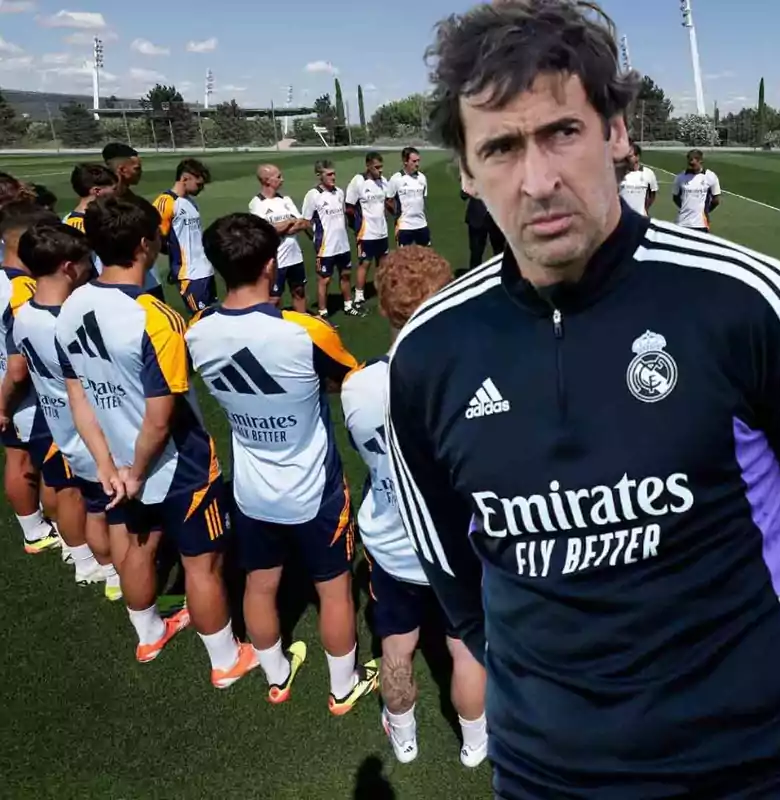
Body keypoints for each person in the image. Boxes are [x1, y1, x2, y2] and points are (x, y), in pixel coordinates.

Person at [388, 2, 780, 796]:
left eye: (561, 132)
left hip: (755, 771)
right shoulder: (429, 351)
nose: (537, 180)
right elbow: (455, 579)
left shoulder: (749, 299)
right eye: (500, 146)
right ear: (466, 173)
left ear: (615, 132)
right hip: (547, 777)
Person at [60, 194, 254, 684]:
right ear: (147, 244)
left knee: (139, 547)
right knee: (202, 564)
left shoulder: (71, 304)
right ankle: (226, 660)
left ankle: (149, 634)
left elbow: (78, 397)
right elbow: (160, 418)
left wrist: (108, 466)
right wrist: (137, 471)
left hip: (117, 460)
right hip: (173, 464)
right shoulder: (156, 318)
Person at [188, 212, 377, 712]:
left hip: (249, 488)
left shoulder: (197, 331)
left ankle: (276, 675)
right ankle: (342, 687)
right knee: (334, 590)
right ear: (272, 265)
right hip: (314, 487)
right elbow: (349, 383)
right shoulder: (303, 331)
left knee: (259, 581)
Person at [343, 245, 488, 767]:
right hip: (460, 544)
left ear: (384, 309)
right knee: (467, 649)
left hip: (392, 544)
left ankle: (403, 733)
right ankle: (475, 741)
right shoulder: (475, 381)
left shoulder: (358, 387)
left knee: (397, 647)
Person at [8, 222, 120, 594]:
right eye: (87, 262)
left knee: (80, 498)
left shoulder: (23, 315)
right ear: (69, 267)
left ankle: (88, 562)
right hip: (85, 429)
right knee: (99, 508)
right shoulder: (68, 324)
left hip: (56, 421)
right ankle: (110, 572)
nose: (92, 269)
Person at [0, 202, 60, 553]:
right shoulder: (22, 290)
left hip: (6, 389)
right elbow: (20, 364)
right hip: (23, 396)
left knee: (16, 457)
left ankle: (34, 529)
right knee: (51, 465)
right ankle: (72, 542)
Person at [97, 148, 163, 299]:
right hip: (123, 283)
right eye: (137, 169)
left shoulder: (137, 201)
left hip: (148, 280)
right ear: (122, 169)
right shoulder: (105, 207)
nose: (141, 172)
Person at [154, 158, 217, 313]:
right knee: (200, 319)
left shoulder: (190, 202)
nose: (201, 189)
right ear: (185, 178)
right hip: (189, 274)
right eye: (199, 184)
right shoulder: (165, 202)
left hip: (205, 270)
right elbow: (155, 237)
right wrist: (175, 263)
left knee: (212, 316)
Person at [249, 164, 310, 313]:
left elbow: (302, 223)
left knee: (299, 291)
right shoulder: (257, 204)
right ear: (266, 180)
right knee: (274, 299)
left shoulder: (285, 200)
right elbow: (264, 231)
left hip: (295, 256)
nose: (282, 179)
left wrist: (280, 228)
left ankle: (302, 325)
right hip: (275, 260)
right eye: (278, 176)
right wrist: (289, 221)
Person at [302, 160, 353, 320]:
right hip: (326, 247)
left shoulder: (339, 192)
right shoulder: (313, 195)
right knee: (325, 279)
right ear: (319, 175)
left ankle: (348, 306)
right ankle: (323, 313)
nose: (333, 177)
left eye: (334, 173)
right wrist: (317, 241)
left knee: (345, 275)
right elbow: (306, 222)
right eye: (329, 174)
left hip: (343, 244)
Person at [345, 151, 390, 313]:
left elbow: (388, 202)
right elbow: (349, 207)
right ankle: (358, 296)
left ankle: (382, 292)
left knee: (383, 264)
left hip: (382, 231)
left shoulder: (383, 182)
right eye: (377, 167)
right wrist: (356, 227)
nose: (380, 170)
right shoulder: (358, 181)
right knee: (365, 263)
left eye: (381, 167)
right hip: (366, 232)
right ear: (368, 166)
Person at [387, 147, 432, 248]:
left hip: (421, 224)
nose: (417, 164)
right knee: (403, 260)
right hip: (404, 226)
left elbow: (423, 199)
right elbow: (388, 200)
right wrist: (397, 215)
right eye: (414, 161)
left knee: (425, 258)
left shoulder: (422, 178)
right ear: (405, 161)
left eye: (418, 161)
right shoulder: (396, 179)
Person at [672, 148, 721, 232]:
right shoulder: (680, 177)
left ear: (700, 161)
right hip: (682, 222)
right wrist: (685, 208)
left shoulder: (710, 176)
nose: (691, 166)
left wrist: (705, 212)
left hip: (701, 224)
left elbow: (716, 200)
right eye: (689, 164)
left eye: (693, 164)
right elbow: (675, 197)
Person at [461, 187, 505, 272]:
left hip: (496, 218)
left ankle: (501, 277)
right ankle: (474, 278)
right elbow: (463, 195)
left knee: (499, 253)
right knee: (476, 254)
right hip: (477, 218)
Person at [618, 143, 658, 216]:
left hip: (640, 218)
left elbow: (652, 195)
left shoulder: (648, 173)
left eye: (629, 156)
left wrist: (645, 209)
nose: (626, 158)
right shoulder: (619, 173)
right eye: (625, 156)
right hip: (622, 218)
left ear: (637, 157)